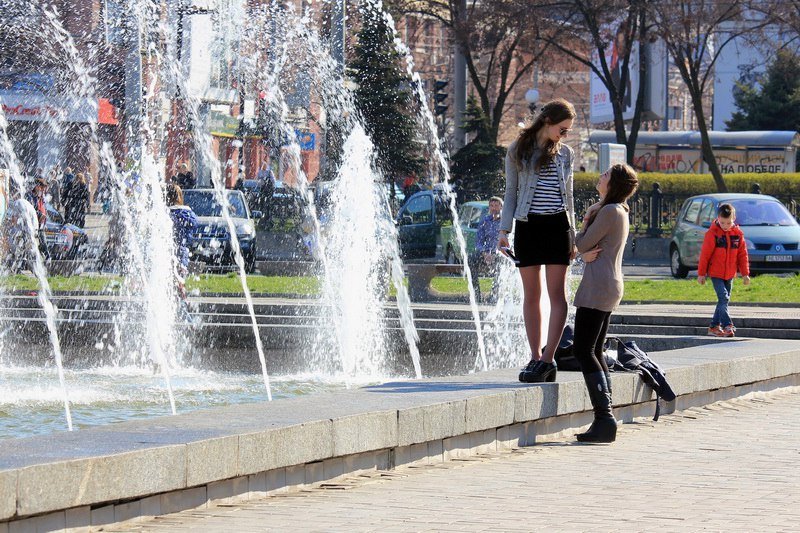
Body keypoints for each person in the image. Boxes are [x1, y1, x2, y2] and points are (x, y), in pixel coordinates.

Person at [498, 98, 578, 383]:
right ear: (547, 121)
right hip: (528, 226)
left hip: (557, 226)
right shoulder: (518, 150)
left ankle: (548, 359)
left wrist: (573, 236)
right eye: (563, 129)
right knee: (531, 295)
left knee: (558, 296)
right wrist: (503, 231)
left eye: (567, 131)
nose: (564, 135)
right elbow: (510, 194)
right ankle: (534, 357)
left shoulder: (565, 154)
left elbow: (568, 198)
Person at [571, 163, 640, 443]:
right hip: (608, 284)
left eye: (606, 175)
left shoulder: (610, 211)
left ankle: (605, 417)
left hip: (599, 285)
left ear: (614, 184)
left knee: (583, 349)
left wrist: (585, 220)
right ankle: (605, 418)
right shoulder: (618, 211)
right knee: (595, 349)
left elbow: (584, 244)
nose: (601, 177)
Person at [697, 203, 750, 338]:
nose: (725, 226)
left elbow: (742, 255)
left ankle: (714, 326)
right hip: (716, 273)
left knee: (723, 301)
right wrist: (701, 274)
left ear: (734, 219)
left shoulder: (737, 234)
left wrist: (745, 274)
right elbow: (705, 255)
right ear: (718, 218)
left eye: (728, 222)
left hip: (730, 274)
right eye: (722, 222)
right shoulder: (713, 234)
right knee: (723, 297)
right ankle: (727, 325)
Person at [166, 184, 198, 302]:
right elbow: (194, 224)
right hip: (182, 252)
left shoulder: (166, 213)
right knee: (179, 279)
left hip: (167, 251)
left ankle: (181, 304)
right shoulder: (187, 213)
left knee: (172, 281)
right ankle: (182, 304)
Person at [468, 196, 503, 303]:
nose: (494, 208)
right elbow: (479, 241)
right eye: (491, 206)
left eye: (496, 206)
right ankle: (477, 294)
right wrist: (484, 253)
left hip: (500, 252)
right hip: (486, 252)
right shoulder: (484, 221)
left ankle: (494, 295)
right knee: (470, 259)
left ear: (501, 207)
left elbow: (508, 241)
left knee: (501, 263)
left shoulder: (506, 221)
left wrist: (494, 253)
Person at [24, 178, 51, 260]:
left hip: (40, 224)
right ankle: (47, 258)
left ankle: (45, 258)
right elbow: (30, 210)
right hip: (32, 225)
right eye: (42, 188)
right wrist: (40, 215)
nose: (43, 190)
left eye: (44, 188)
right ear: (37, 186)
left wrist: (44, 218)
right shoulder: (30, 196)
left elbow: (43, 208)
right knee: (35, 243)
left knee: (42, 243)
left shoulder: (41, 197)